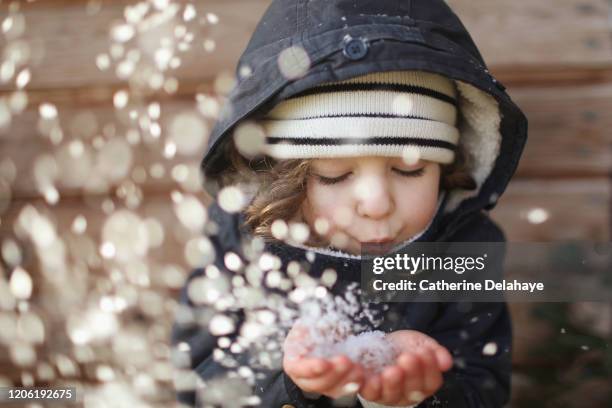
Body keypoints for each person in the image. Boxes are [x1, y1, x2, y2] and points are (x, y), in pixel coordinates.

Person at [171, 0, 528, 407]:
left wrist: (418, 395)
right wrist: (292, 385)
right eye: (335, 175)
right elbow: (199, 385)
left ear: (449, 164)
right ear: (280, 175)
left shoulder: (462, 250)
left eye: (410, 170)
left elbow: (486, 390)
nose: (376, 204)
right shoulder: (242, 244)